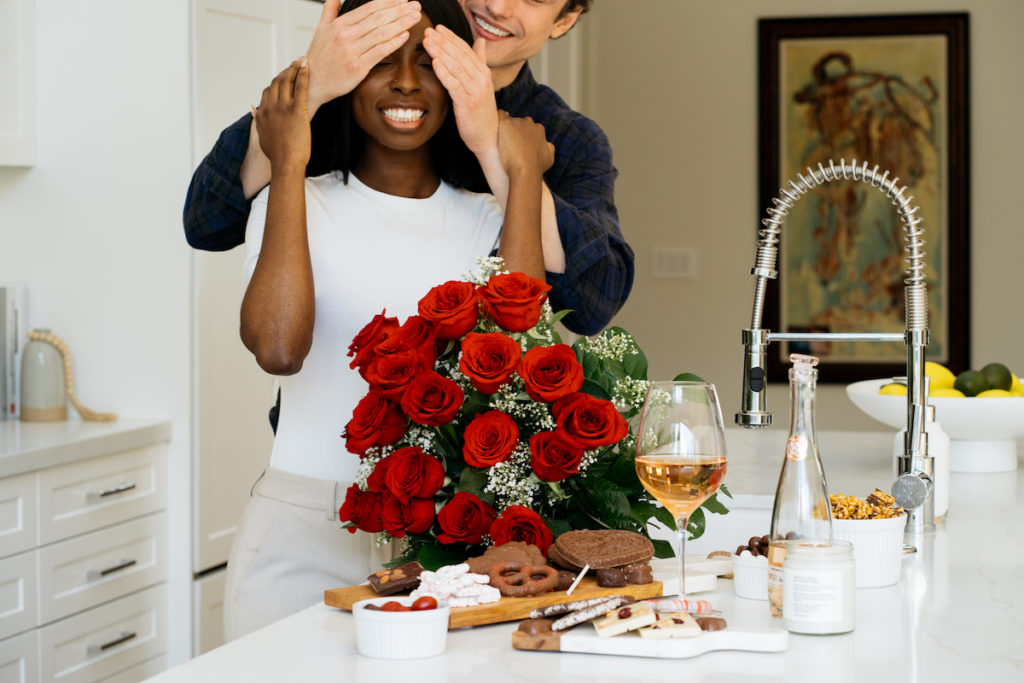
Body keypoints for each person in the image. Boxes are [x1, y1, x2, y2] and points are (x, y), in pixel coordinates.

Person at [225, 0, 552, 640]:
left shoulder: (488, 218)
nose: (405, 82)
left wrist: (519, 169)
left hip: (439, 543)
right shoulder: (296, 203)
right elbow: (278, 348)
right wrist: (288, 160)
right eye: (380, 62)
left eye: (428, 63)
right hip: (299, 532)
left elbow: (520, 357)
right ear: (346, 77)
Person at [184, 0, 631, 337]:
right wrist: (313, 85)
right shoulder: (349, 100)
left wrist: (506, 159)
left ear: (566, 19)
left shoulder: (566, 136)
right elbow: (207, 222)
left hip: (463, 446)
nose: (496, 5)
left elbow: (594, 302)